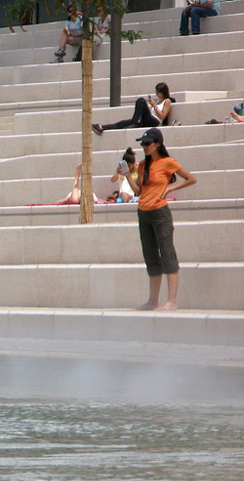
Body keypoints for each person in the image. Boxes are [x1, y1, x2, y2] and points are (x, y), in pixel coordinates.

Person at [130, 128, 196, 311]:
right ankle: (152, 301)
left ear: (158, 144)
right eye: (142, 143)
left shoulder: (167, 162)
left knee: (167, 253)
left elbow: (191, 179)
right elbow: (138, 191)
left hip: (160, 212)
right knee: (150, 255)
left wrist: (170, 188)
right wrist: (127, 175)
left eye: (147, 143)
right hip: (143, 212)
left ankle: (172, 301)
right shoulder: (143, 165)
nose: (144, 146)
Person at [93, 82, 174, 135]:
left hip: (155, 121)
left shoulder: (167, 101)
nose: (157, 94)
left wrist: (154, 106)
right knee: (122, 123)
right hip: (149, 120)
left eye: (158, 92)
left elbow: (163, 116)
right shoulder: (158, 100)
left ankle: (136, 122)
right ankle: (102, 127)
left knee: (141, 100)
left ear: (163, 92)